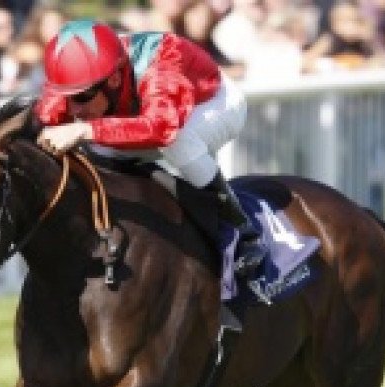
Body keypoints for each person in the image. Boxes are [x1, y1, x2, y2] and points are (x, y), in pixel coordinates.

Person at [35, 19, 264, 275]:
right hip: (156, 118)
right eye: (67, 98)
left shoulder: (163, 62)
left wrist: (84, 129)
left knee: (178, 142)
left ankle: (240, 229)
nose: (74, 108)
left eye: (80, 98)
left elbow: (161, 129)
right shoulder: (81, 77)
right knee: (93, 150)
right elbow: (42, 118)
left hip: (213, 104)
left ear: (112, 81)